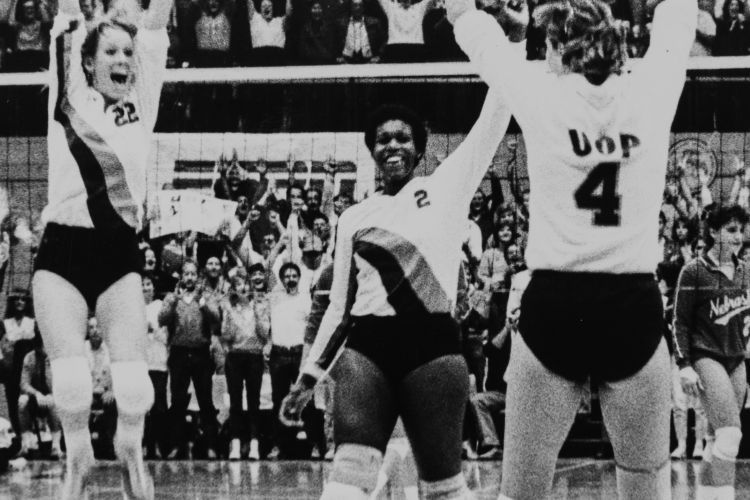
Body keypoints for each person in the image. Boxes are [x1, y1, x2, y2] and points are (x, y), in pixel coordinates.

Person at [448, 0, 697, 496]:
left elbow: (466, 22)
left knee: (523, 488)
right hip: (631, 303)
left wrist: (472, 14)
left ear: (557, 48)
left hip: (556, 303)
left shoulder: (540, 92)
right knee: (645, 480)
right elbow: (677, 13)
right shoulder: (656, 86)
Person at [280, 30, 521, 494]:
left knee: (442, 486)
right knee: (347, 481)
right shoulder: (353, 217)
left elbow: (496, 114)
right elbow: (338, 308)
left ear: (419, 147)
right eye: (383, 139)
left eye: (403, 138)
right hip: (367, 348)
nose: (392, 145)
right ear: (371, 149)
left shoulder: (448, 187)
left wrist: (509, 41)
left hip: (432, 346)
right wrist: (308, 376)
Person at [31, 0, 172, 495]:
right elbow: (68, 12)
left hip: (118, 254)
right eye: (110, 51)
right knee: (70, 380)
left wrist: (149, 27)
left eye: (128, 53)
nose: (123, 60)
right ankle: (78, 454)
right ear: (88, 61)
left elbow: (155, 25)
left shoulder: (144, 102)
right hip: (62, 254)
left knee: (134, 389)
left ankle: (129, 447)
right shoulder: (68, 97)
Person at [673, 205, 750, 499]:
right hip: (706, 356)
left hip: (736, 358)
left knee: (718, 436)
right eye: (731, 230)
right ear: (714, 232)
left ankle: (708, 495)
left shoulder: (745, 270)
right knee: (731, 435)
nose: (738, 236)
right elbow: (679, 321)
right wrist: (684, 364)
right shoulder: (694, 271)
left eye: (741, 230)